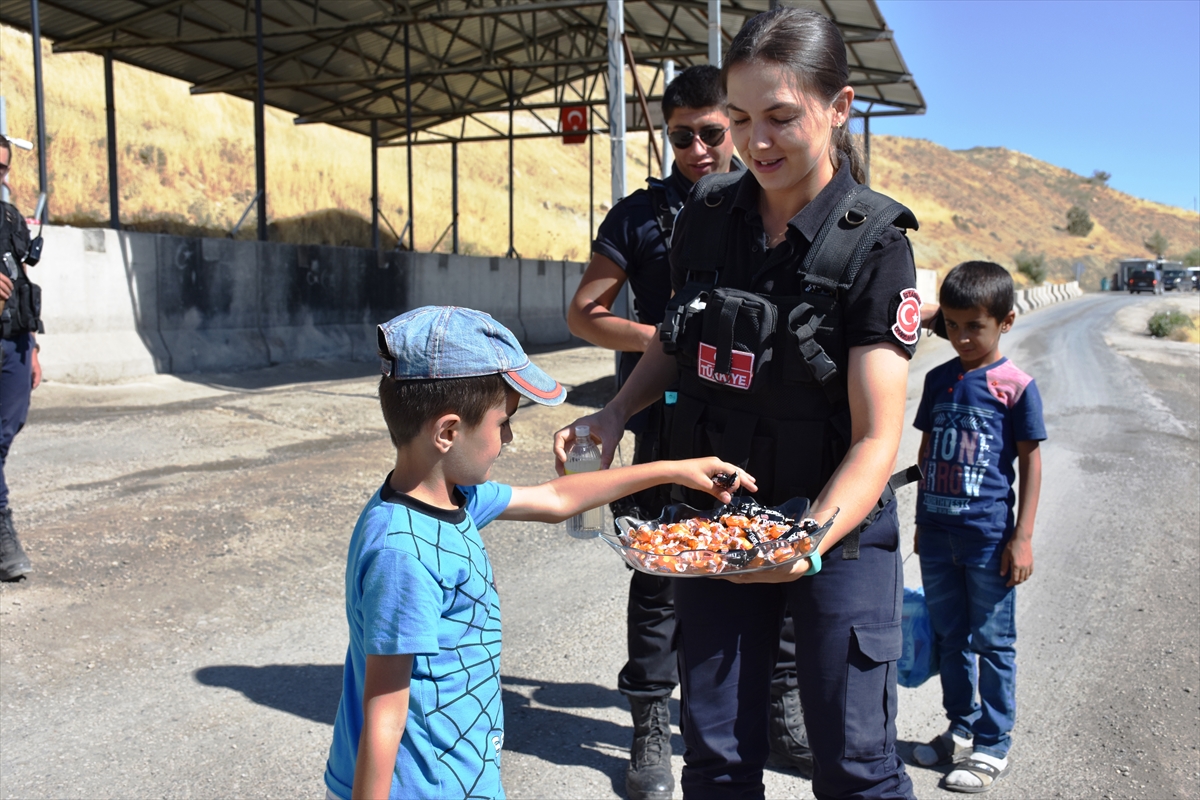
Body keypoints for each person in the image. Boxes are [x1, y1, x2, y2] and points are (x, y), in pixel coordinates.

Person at [555, 8, 924, 798]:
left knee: (855, 764)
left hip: (837, 528)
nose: (757, 144)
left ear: (840, 107)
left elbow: (875, 441)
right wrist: (616, 412)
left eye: (782, 118)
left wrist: (805, 540)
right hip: (717, 520)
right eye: (744, 119)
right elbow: (677, 335)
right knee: (718, 759)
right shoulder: (710, 213)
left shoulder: (876, 246)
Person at [322, 305, 754, 800]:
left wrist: (673, 470)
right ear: (446, 433)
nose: (508, 437)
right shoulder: (404, 553)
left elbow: (555, 499)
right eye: (503, 422)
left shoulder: (447, 497)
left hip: (456, 775)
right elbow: (384, 714)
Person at [566, 66, 813, 798]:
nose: (700, 150)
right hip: (669, 413)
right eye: (683, 138)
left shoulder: (776, 202)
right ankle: (649, 723)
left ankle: (779, 707)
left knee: (772, 546)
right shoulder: (642, 215)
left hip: (760, 415)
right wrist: (671, 338)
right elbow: (585, 312)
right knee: (662, 568)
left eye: (713, 133)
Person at [909, 261, 1045, 793]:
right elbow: (924, 452)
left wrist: (1023, 536)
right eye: (954, 325)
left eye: (975, 326)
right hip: (938, 537)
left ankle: (993, 742)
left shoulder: (1015, 387)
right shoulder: (939, 380)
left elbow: (1032, 462)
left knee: (993, 641)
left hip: (989, 539)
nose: (963, 337)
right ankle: (959, 727)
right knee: (949, 637)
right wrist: (921, 520)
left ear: (1005, 322)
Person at [0, 135, 42, 582]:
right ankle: (2, 530)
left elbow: (22, 280)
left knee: (7, 430)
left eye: (4, 168)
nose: (2, 177)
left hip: (13, 342)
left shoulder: (9, 216)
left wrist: (33, 348)